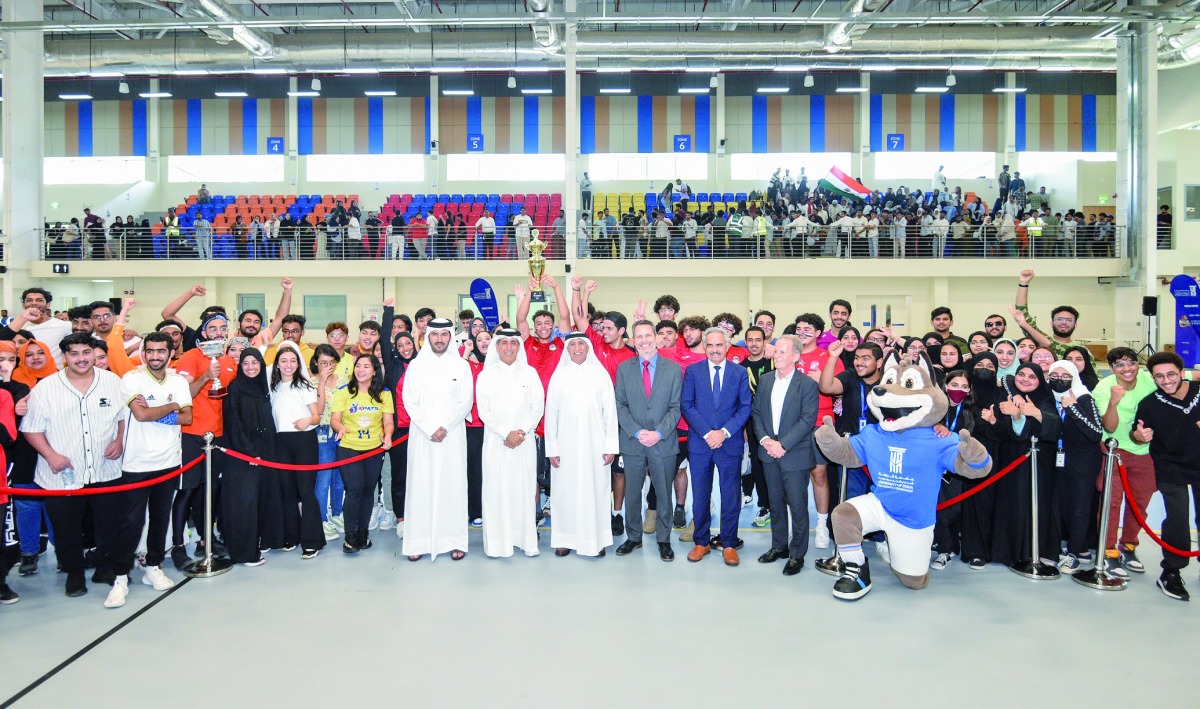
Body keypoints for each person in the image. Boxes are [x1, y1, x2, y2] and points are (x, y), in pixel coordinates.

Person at [21, 333, 126, 599]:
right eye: (74, 353)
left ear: (94, 353)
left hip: (105, 469)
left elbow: (124, 416)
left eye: (86, 352)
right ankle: (74, 574)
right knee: (67, 529)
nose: (81, 359)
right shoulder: (46, 388)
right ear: (65, 356)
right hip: (61, 474)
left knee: (108, 524)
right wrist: (51, 455)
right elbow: (31, 430)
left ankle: (104, 567)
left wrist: (120, 439)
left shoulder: (112, 382)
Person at [109, 332, 192, 607]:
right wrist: (171, 405)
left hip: (168, 462)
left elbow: (187, 417)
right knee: (130, 522)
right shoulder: (132, 378)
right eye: (150, 351)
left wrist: (157, 409)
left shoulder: (178, 380)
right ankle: (121, 576)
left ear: (171, 353)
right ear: (143, 353)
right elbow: (141, 415)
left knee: (159, 518)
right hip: (137, 463)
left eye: (161, 351)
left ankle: (153, 567)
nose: (155, 356)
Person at [681, 327, 752, 566]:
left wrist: (723, 432)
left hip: (729, 443)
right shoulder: (692, 372)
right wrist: (707, 432)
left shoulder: (739, 373)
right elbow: (687, 405)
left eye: (718, 345)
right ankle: (701, 542)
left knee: (730, 495)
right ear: (704, 346)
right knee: (700, 494)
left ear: (727, 346)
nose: (714, 350)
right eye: (709, 345)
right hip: (700, 444)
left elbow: (745, 407)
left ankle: (729, 543)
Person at [402, 319, 472, 561]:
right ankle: (418, 542)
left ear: (450, 337)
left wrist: (445, 427)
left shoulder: (461, 366)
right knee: (421, 485)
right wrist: (430, 428)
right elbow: (409, 401)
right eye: (435, 335)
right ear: (427, 336)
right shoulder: (415, 366)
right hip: (422, 436)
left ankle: (454, 540)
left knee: (452, 486)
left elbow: (466, 401)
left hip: (452, 436)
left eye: (444, 335)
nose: (440, 339)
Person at [614, 320, 683, 562]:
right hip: (633, 441)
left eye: (647, 335)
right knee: (632, 491)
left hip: (662, 441)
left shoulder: (673, 369)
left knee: (664, 492)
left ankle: (664, 539)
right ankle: (633, 537)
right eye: (639, 336)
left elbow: (676, 408)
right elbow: (620, 405)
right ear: (633, 340)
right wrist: (636, 431)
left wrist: (658, 433)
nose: (644, 340)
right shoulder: (624, 369)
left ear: (656, 337)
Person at [1133, 352, 1200, 600]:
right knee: (1178, 518)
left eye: (1171, 374)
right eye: (1159, 376)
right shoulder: (1150, 404)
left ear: (1182, 373)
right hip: (1171, 467)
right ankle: (1171, 571)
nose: (1166, 380)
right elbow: (1136, 432)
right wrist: (1138, 436)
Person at [545, 334, 619, 557]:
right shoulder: (559, 376)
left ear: (588, 348)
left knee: (596, 490)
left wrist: (610, 446)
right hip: (565, 446)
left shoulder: (600, 375)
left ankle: (596, 540)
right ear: (567, 349)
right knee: (564, 491)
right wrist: (552, 448)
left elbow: (610, 413)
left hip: (595, 445)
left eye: (581, 344)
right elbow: (551, 415)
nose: (577, 348)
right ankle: (565, 539)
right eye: (573, 344)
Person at [751, 335, 819, 576]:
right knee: (775, 503)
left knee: (798, 505)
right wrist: (765, 440)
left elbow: (807, 420)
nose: (776, 355)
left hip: (794, 453)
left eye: (782, 351)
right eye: (776, 351)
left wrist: (783, 444)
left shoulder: (808, 385)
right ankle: (778, 546)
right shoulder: (765, 380)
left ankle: (797, 554)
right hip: (768, 451)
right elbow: (757, 413)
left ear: (796, 356)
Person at [475, 329, 544, 558]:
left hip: (523, 443)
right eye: (504, 343)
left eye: (514, 343)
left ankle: (525, 541)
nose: (509, 347)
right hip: (496, 442)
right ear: (496, 346)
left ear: (519, 347)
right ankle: (498, 544)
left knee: (523, 490)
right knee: (497, 490)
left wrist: (520, 432)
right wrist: (506, 433)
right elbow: (484, 411)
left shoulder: (530, 373)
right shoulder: (486, 375)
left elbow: (537, 407)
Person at [1093, 347, 1157, 578]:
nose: (1127, 368)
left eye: (1131, 362)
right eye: (1120, 364)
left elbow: (1185, 377)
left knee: (1139, 502)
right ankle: (1109, 550)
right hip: (1115, 449)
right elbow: (1109, 427)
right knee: (1111, 501)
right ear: (1111, 368)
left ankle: (1128, 546)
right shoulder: (1103, 387)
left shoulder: (1150, 379)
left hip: (1146, 452)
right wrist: (1113, 401)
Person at [267, 341, 324, 559]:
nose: (288, 365)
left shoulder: (305, 386)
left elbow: (317, 417)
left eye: (292, 360)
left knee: (306, 491)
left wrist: (307, 420)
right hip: (281, 443)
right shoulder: (272, 388)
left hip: (304, 441)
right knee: (287, 492)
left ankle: (312, 541)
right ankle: (292, 536)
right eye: (284, 361)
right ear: (277, 364)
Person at [332, 354, 394, 553]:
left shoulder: (384, 394)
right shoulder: (344, 392)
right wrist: (339, 428)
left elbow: (388, 421)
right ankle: (350, 536)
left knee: (368, 490)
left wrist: (389, 435)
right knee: (355, 489)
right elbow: (335, 419)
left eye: (366, 366)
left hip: (373, 448)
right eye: (358, 366)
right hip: (349, 447)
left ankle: (363, 533)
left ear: (374, 371)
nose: (361, 369)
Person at [310, 344, 346, 542]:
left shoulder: (344, 381)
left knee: (339, 477)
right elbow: (319, 409)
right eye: (323, 362)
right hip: (322, 431)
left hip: (342, 431)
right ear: (316, 362)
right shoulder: (310, 382)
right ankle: (321, 518)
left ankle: (337, 514)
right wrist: (322, 382)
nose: (328, 366)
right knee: (323, 478)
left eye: (331, 362)